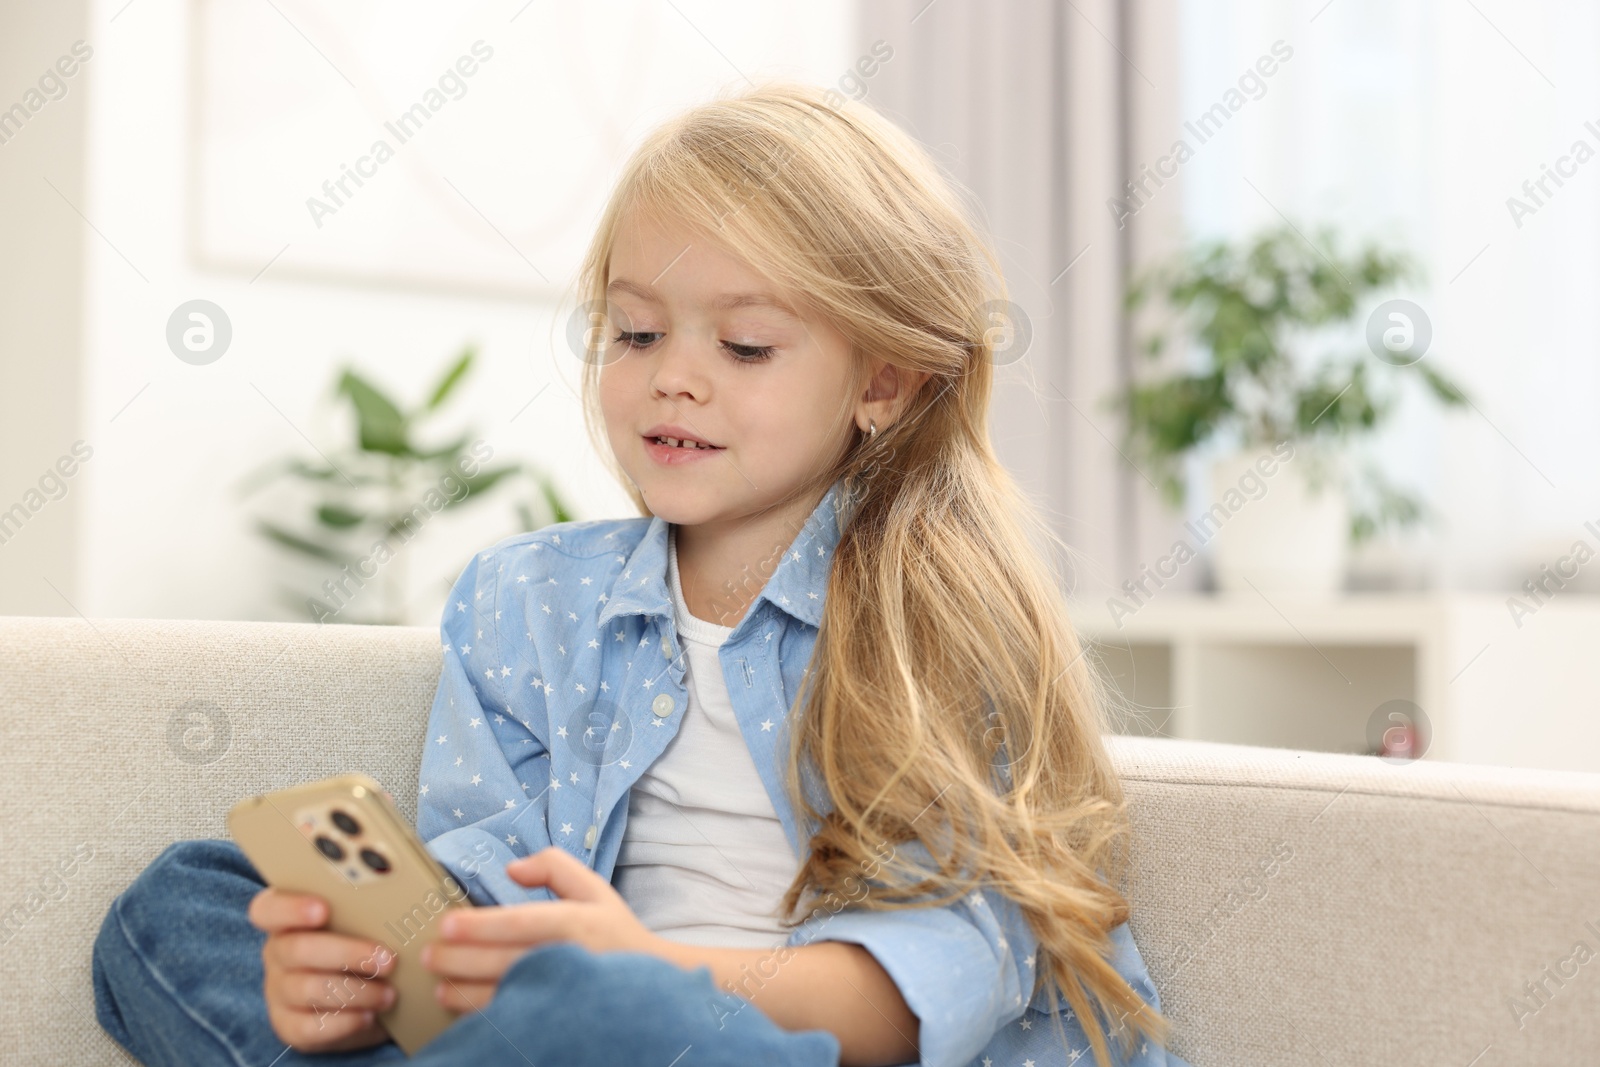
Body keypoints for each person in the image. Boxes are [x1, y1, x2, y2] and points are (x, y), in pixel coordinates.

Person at [93, 81, 1190, 1067]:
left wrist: (647, 970)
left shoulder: (936, 621)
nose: (674, 380)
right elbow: (485, 887)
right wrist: (362, 978)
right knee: (178, 903)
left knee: (603, 1014)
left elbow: (937, 981)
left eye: (745, 347)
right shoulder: (523, 598)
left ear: (886, 382)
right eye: (635, 331)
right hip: (553, 1027)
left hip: (752, 1035)